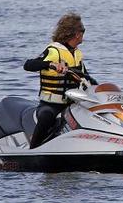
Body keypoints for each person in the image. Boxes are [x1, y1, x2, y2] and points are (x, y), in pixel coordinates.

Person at [23, 12, 96, 149]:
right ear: (77, 34)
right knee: (46, 117)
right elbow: (28, 65)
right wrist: (50, 64)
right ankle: (33, 150)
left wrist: (103, 90)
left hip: (73, 103)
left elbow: (86, 77)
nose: (83, 35)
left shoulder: (77, 53)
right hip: (51, 105)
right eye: (83, 31)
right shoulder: (54, 51)